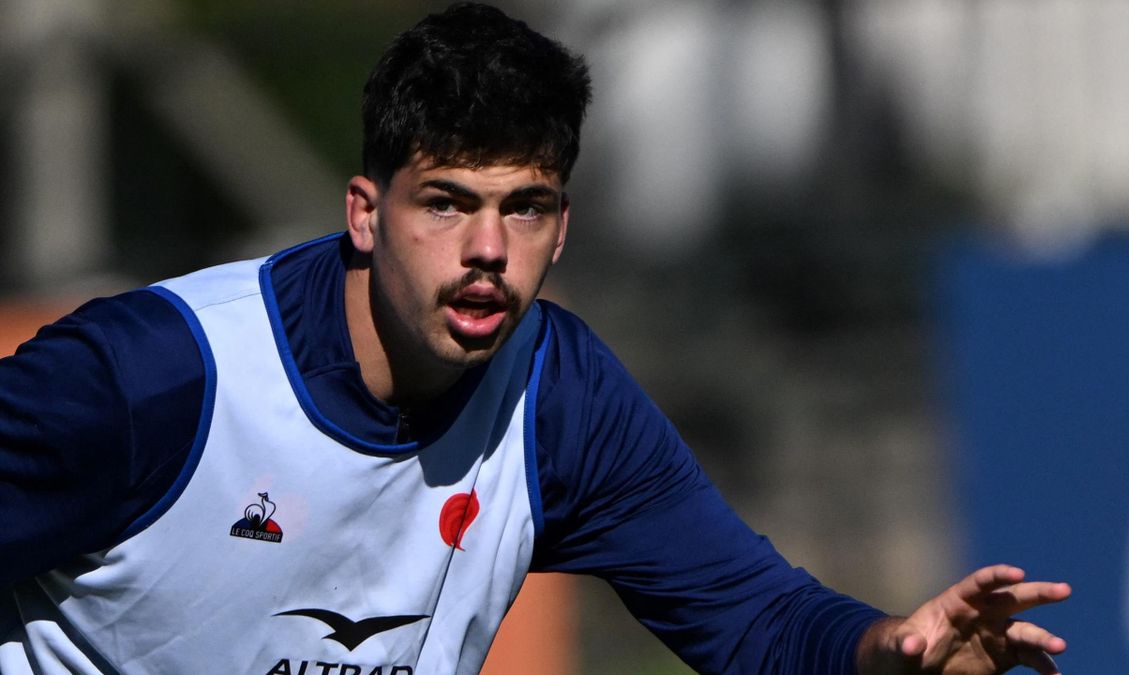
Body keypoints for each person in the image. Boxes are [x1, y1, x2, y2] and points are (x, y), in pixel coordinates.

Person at [0, 3, 1070, 674]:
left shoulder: (557, 398)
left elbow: (752, 618)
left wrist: (895, 650)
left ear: (563, 228)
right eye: (447, 202)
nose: (486, 249)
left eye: (524, 207)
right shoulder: (154, 378)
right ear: (365, 214)